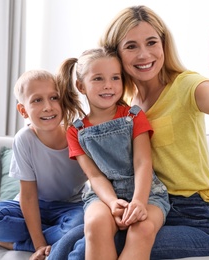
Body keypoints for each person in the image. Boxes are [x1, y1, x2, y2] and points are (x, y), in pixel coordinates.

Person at [48, 5, 209, 260]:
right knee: (74, 242)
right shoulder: (121, 106)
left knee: (81, 251)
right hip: (139, 207)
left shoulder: (185, 85)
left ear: (164, 45)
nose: (144, 54)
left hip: (195, 219)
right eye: (131, 46)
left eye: (152, 42)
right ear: (115, 54)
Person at [60, 47, 170, 259]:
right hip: (102, 196)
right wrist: (111, 202)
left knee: (143, 230)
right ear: (81, 86)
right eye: (98, 79)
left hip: (147, 192)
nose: (108, 85)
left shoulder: (134, 116)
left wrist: (138, 201)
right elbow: (95, 176)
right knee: (95, 224)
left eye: (115, 78)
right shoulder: (75, 131)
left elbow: (142, 163)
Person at [0, 70, 88, 260]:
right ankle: (49, 240)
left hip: (70, 206)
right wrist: (39, 244)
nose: (48, 107)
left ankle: (13, 243)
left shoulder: (77, 134)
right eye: (37, 100)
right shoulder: (24, 139)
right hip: (33, 206)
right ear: (23, 110)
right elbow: (28, 196)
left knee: (82, 223)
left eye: (53, 98)